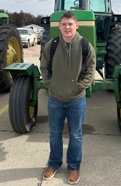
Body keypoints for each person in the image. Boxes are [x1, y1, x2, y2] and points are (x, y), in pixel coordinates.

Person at [40, 11, 96, 182]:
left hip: (76, 100)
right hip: (55, 99)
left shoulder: (85, 46)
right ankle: (54, 164)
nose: (67, 27)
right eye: (64, 24)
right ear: (59, 26)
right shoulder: (51, 46)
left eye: (70, 24)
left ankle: (74, 167)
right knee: (54, 134)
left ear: (76, 25)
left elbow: (90, 69)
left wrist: (80, 86)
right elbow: (44, 67)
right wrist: (50, 84)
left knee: (76, 135)